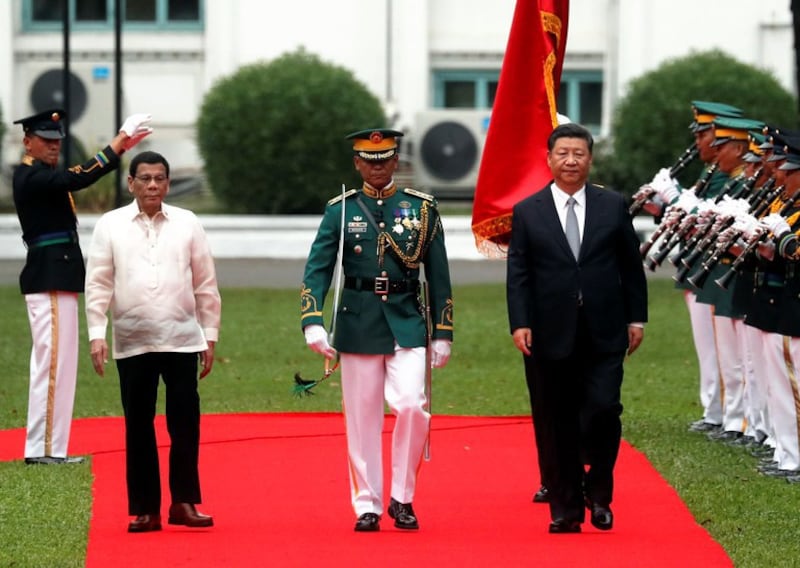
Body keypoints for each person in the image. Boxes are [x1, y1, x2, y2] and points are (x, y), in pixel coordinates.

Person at [300, 128, 454, 532]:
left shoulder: (421, 208)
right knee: (363, 417)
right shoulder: (341, 210)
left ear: (396, 160)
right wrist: (312, 320)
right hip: (358, 321)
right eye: (369, 160)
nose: (377, 166)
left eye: (385, 158)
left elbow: (438, 273)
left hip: (407, 320)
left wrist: (443, 330)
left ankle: (402, 497)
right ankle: (366, 503)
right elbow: (317, 268)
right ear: (356, 163)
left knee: (411, 405)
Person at [506, 123, 648, 533]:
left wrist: (635, 318)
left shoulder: (612, 205)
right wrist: (521, 323)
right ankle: (566, 509)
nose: (571, 160)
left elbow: (630, 268)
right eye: (563, 153)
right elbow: (519, 274)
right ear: (549, 160)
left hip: (605, 330)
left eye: (579, 153)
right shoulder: (528, 211)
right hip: (549, 332)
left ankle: (598, 494)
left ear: (590, 159)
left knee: (604, 409)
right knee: (558, 418)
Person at [85, 150, 221, 533]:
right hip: (132, 339)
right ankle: (145, 508)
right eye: (144, 179)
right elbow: (97, 284)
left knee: (185, 424)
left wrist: (209, 335)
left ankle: (184, 502)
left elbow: (205, 283)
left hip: (181, 339)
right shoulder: (110, 225)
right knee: (138, 426)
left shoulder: (187, 222)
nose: (152, 185)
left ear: (168, 182)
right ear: (130, 183)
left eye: (159, 178)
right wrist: (97, 334)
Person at [12, 108, 152, 465]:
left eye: (56, 140)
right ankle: (42, 449)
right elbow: (78, 178)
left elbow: (71, 178)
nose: (53, 146)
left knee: (59, 365)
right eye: (45, 140)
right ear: (28, 141)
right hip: (49, 279)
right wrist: (119, 144)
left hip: (57, 277)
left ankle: (52, 447)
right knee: (52, 364)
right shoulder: (30, 176)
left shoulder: (42, 174)